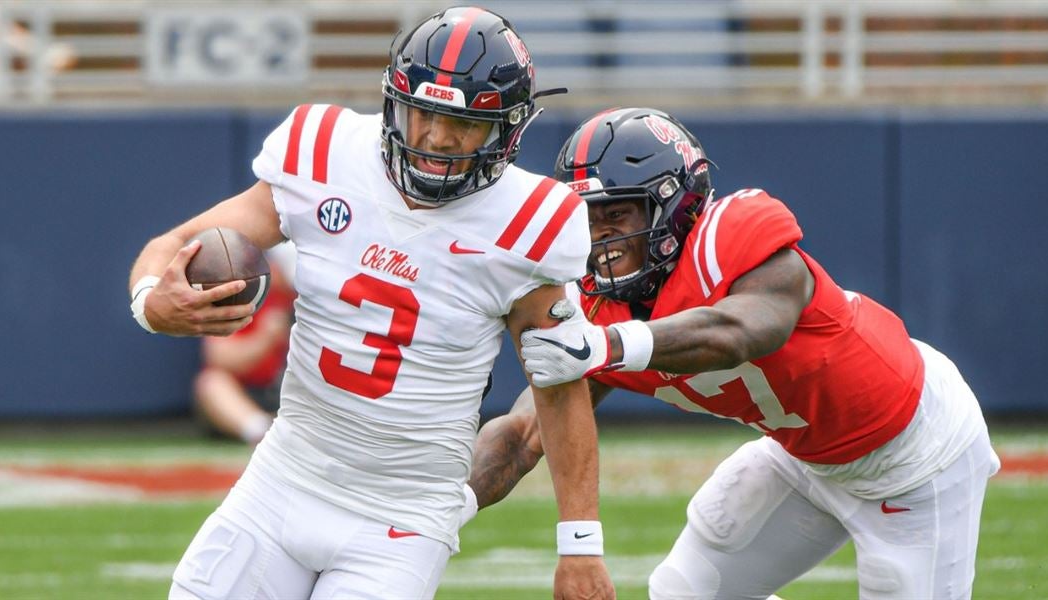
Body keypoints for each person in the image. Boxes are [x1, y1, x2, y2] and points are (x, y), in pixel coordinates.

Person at [127, 7, 613, 600]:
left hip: (402, 514)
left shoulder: (532, 220)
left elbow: (560, 385)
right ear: (393, 100)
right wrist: (153, 301)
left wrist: (581, 546)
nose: (437, 138)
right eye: (424, 114)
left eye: (464, 124)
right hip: (282, 478)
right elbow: (174, 246)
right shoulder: (326, 152)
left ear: (508, 130)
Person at [466, 108, 999, 599]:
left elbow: (745, 330)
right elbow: (521, 436)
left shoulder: (730, 237)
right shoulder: (597, 306)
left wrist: (608, 346)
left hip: (917, 452)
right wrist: (441, 509)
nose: (600, 238)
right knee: (685, 590)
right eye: (588, 218)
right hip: (802, 457)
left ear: (677, 204)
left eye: (619, 215)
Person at [192, 244, 296, 445]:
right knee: (212, 383)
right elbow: (218, 357)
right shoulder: (247, 295)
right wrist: (264, 340)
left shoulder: (320, 301)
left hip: (301, 398)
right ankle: (262, 433)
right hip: (253, 393)